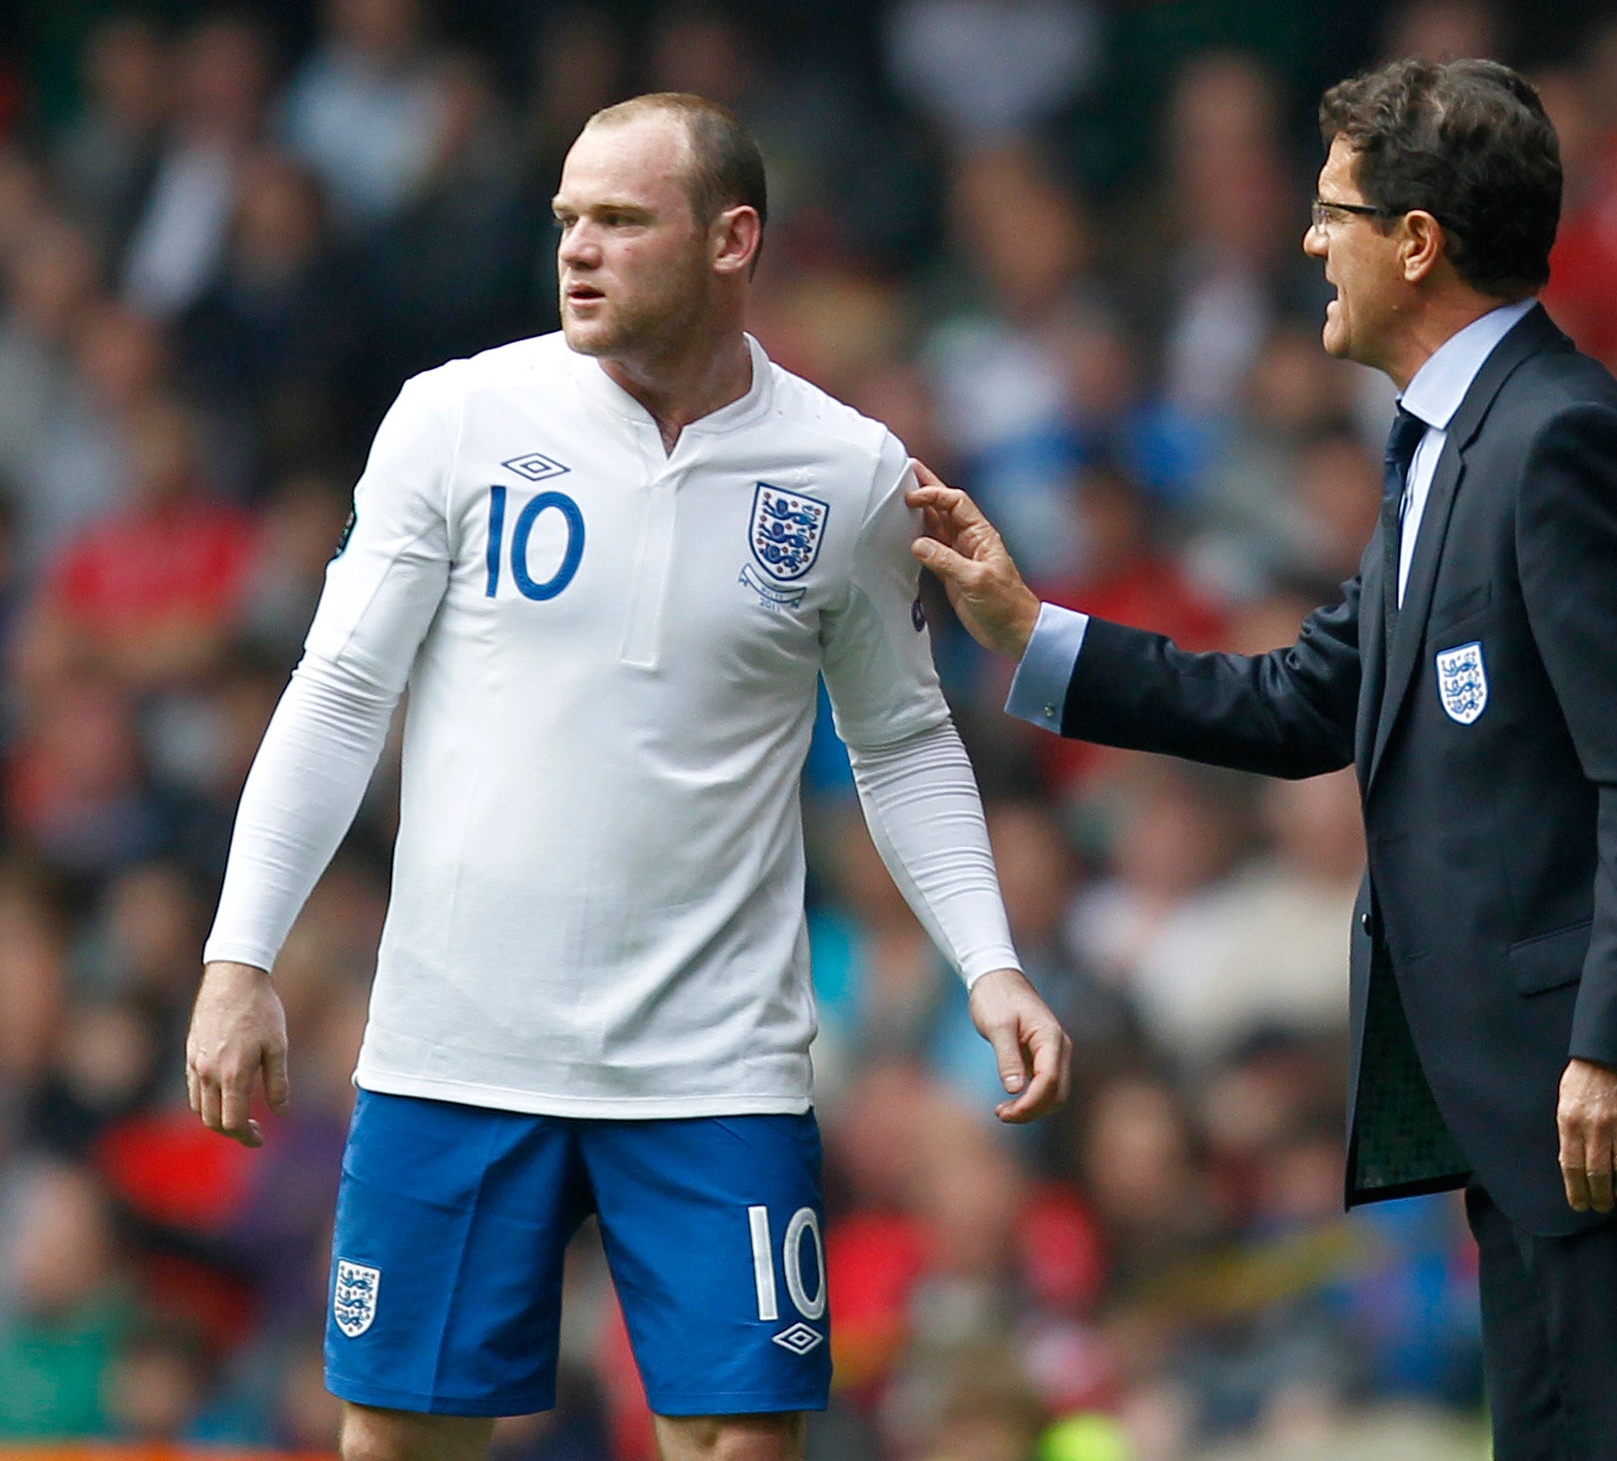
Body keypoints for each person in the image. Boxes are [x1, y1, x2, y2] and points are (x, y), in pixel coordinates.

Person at [908, 57, 1617, 1461]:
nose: (1309, 241)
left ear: (1418, 242)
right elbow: (1304, 702)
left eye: (1332, 210)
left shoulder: (1562, 440)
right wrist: (1031, 630)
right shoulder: (1442, 452)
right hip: (1542, 1134)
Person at [184, 92, 1071, 1461]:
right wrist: (241, 957)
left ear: (732, 240)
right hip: (460, 1045)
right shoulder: (456, 419)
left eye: (619, 220)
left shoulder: (845, 473)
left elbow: (901, 741)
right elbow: (341, 692)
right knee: (403, 1439)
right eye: (566, 221)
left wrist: (990, 963)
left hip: (715, 1062)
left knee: (737, 1442)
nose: (577, 251)